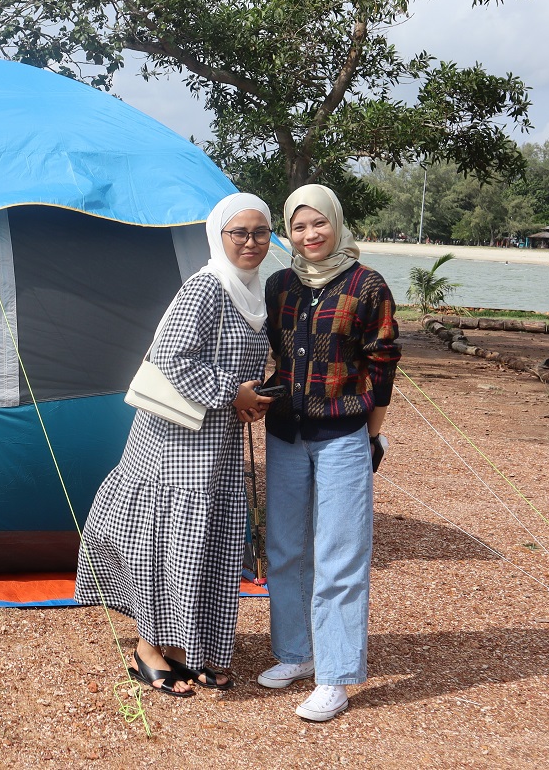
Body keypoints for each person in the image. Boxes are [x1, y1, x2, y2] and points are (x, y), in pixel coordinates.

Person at [74, 192, 276, 697]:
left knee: (205, 543)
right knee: (167, 541)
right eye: (239, 233)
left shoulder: (255, 293)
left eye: (260, 232)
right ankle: (148, 649)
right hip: (176, 441)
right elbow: (171, 357)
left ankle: (189, 648)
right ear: (218, 236)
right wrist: (233, 392)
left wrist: (251, 398)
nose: (250, 243)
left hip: (218, 440)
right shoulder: (206, 288)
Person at [257, 184, 401, 721]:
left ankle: (336, 676)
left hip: (345, 432)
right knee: (287, 547)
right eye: (299, 226)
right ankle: (296, 652)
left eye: (319, 223)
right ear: (288, 233)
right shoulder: (280, 285)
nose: (310, 234)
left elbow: (382, 364)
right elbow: (272, 353)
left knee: (340, 555)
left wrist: (372, 436)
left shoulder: (367, 285)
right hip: (287, 432)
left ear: (337, 224)